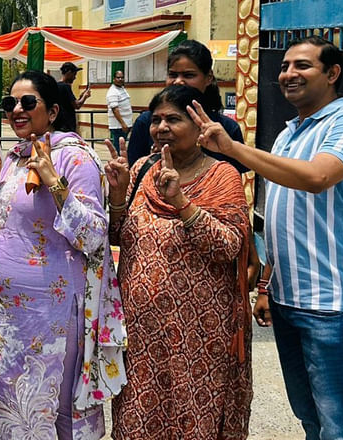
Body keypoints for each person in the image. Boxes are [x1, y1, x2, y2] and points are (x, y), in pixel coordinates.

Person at [189, 36, 343, 440]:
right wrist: (265, 285)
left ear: (332, 74)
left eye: (303, 66)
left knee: (338, 424)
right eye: (285, 66)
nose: (289, 74)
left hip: (331, 301)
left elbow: (316, 178)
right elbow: (279, 218)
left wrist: (234, 149)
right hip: (288, 297)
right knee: (309, 415)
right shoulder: (288, 134)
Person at [0, 71, 125, 440]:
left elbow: (92, 234)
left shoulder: (75, 159)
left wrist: (54, 182)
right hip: (3, 312)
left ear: (52, 111)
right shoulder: (15, 158)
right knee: (13, 408)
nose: (16, 110)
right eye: (10, 104)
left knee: (45, 409)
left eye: (28, 102)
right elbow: (7, 225)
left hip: (46, 315)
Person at [103, 85, 252, 440]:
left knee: (192, 413)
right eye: (155, 120)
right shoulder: (141, 169)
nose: (161, 127)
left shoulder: (223, 176)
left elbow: (229, 246)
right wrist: (119, 195)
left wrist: (182, 202)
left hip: (200, 332)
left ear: (198, 125)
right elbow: (118, 236)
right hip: (141, 331)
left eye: (173, 118)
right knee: (139, 414)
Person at [127, 40, 247, 174]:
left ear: (208, 78)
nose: (178, 81)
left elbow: (233, 182)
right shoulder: (147, 123)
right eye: (173, 75)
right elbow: (133, 177)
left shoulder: (226, 128)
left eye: (188, 75)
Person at [56, 61, 91, 135]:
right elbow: (77, 105)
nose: (75, 78)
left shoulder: (56, 85)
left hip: (58, 124)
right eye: (74, 74)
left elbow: (69, 103)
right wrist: (85, 96)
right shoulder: (66, 86)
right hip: (67, 125)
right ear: (69, 72)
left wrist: (80, 97)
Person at [105, 70, 132, 151]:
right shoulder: (112, 91)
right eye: (118, 77)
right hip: (118, 126)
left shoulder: (122, 89)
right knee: (119, 148)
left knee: (122, 146)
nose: (120, 79)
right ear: (114, 79)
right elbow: (115, 110)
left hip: (125, 124)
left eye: (122, 77)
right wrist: (123, 124)